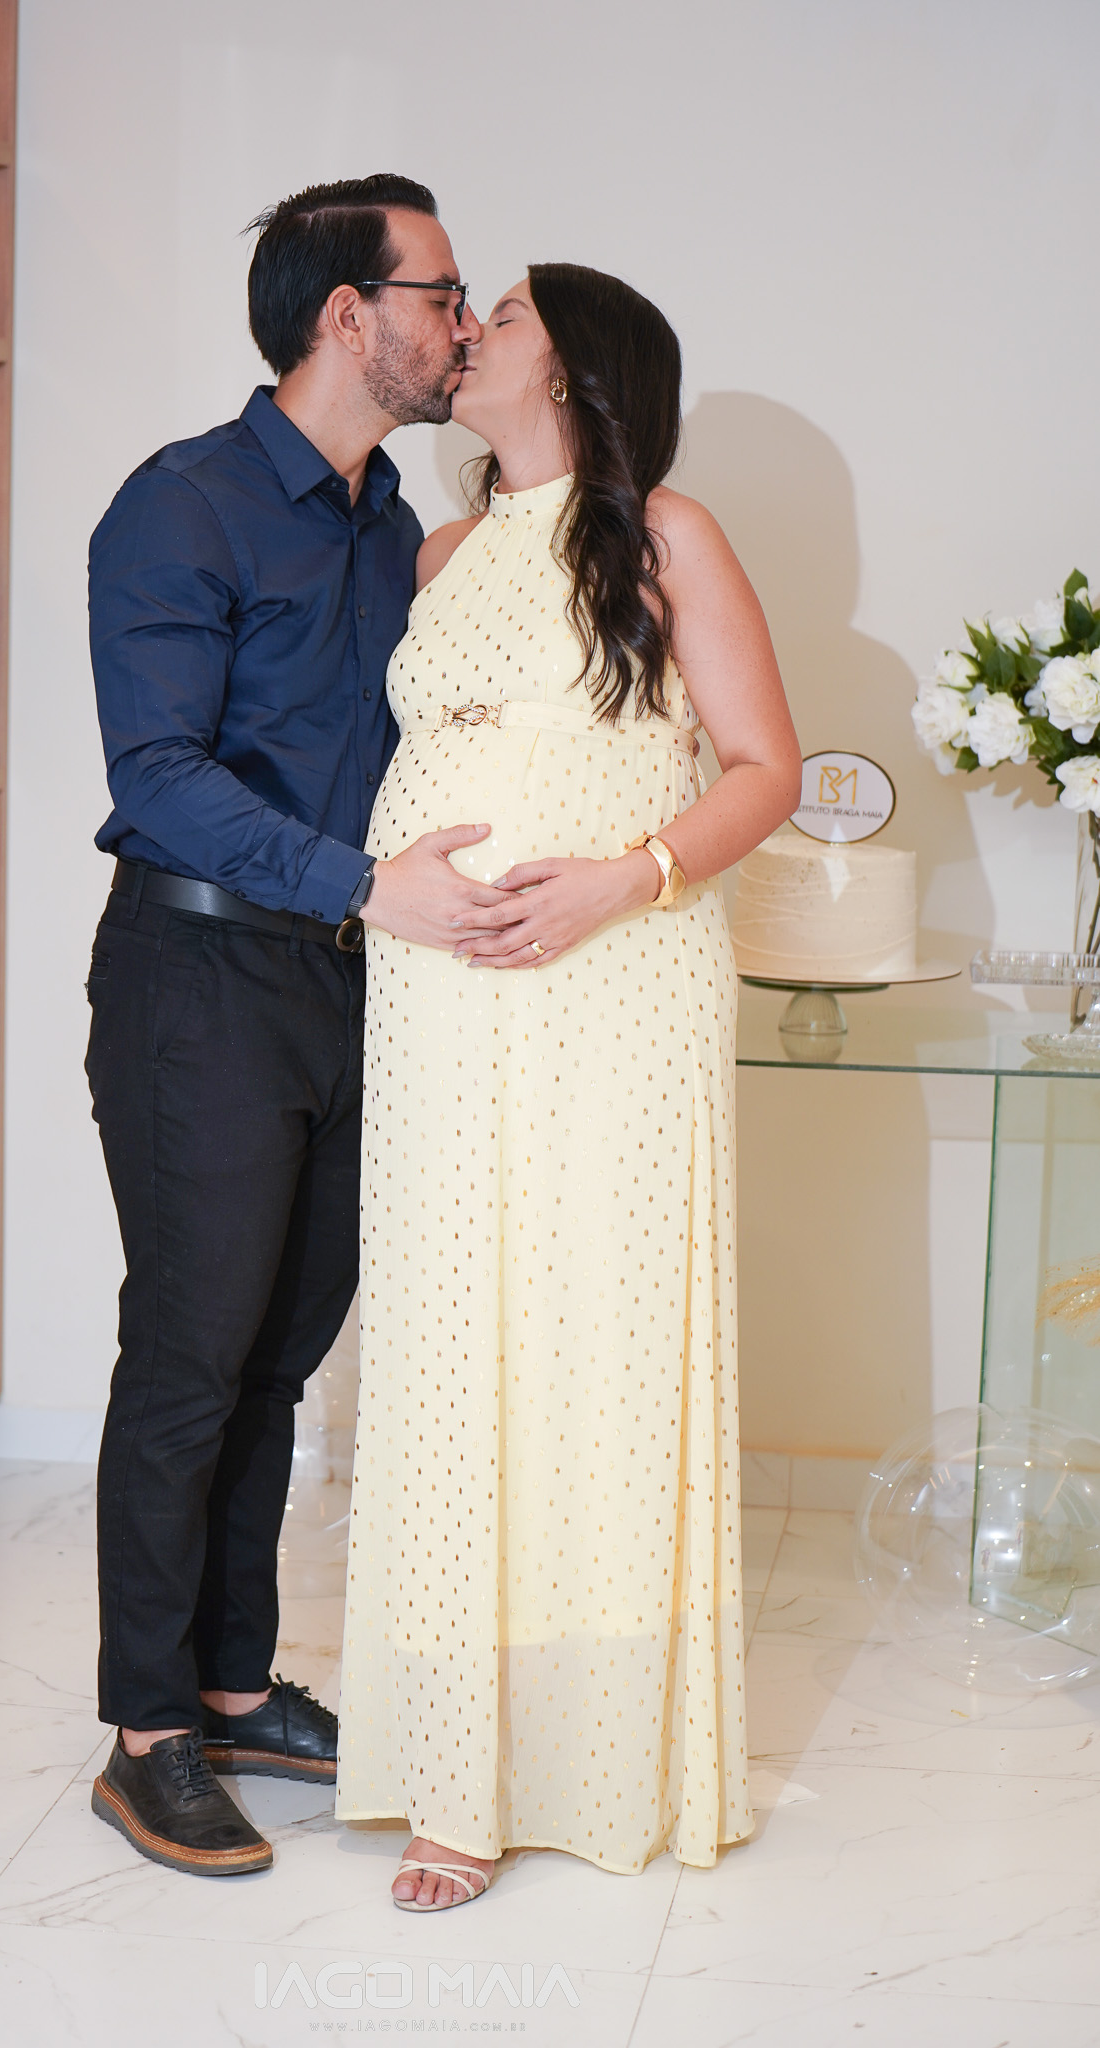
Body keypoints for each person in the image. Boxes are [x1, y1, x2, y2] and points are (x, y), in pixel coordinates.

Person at [335, 264, 803, 1908]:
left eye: (510, 311)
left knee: (594, 1344)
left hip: (617, 986)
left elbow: (767, 767)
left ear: (576, 364)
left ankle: (601, 1748)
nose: (470, 327)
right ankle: (455, 1767)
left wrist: (625, 879)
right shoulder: (440, 551)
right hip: (436, 997)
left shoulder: (665, 534)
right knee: (448, 1351)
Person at [83, 175, 497, 1877]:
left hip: (351, 983)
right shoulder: (179, 506)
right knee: (189, 1358)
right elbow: (157, 776)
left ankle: (235, 1684)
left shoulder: (388, 521)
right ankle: (145, 1735)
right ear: (347, 314)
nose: (462, 324)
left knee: (278, 1356)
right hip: (198, 983)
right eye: (442, 293)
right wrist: (365, 884)